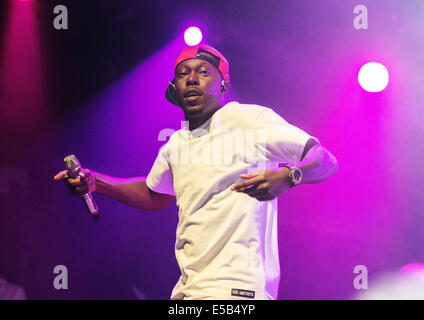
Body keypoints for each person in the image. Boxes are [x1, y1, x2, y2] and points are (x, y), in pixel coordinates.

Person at [54, 44, 338, 300]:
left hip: (238, 290)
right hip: (188, 290)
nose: (191, 78)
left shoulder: (248, 119)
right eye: (183, 74)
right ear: (174, 88)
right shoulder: (175, 143)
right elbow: (156, 194)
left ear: (224, 84)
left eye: (204, 72)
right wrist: (97, 183)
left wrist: (290, 176)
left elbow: (324, 159)